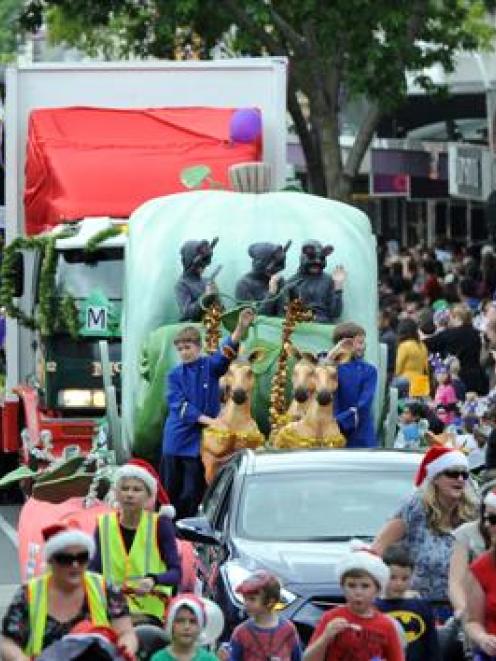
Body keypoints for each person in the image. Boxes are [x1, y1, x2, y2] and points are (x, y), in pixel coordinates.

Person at [161, 307, 255, 519]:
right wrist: (211, 421)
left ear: (198, 347)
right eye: (181, 349)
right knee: (171, 491)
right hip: (177, 439)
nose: (185, 352)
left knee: (192, 491)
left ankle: (191, 529)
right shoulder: (174, 375)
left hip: (199, 442)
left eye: (188, 347)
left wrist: (240, 327)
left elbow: (225, 353)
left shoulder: (210, 366)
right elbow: (178, 405)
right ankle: (170, 528)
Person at [1, 523, 137, 661]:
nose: (75, 565)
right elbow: (7, 642)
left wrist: (124, 650)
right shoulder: (29, 593)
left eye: (82, 557)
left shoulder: (104, 587)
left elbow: (126, 633)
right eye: (65, 559)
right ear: (50, 561)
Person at [372, 446, 476, 618]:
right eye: (452, 473)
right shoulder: (415, 508)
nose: (459, 479)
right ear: (435, 478)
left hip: (461, 611)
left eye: (464, 475)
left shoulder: (473, 514)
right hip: (415, 610)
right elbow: (378, 549)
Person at [89, 459, 181, 625]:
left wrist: (153, 580)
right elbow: (93, 571)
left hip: (149, 613)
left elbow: (175, 573)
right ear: (116, 494)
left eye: (137, 489)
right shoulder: (103, 524)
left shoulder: (161, 525)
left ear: (148, 496)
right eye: (124, 489)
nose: (129, 494)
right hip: (111, 611)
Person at [303, 541, 404, 661]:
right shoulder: (331, 618)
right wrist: (326, 637)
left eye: (365, 586)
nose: (358, 592)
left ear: (377, 590)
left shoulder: (386, 625)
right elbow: (308, 659)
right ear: (342, 587)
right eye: (351, 585)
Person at [376, 545, 440, 661]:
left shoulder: (422, 607)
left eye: (405, 578)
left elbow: (432, 645)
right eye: (393, 578)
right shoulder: (373, 608)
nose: (399, 583)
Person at [229, 570, 302, 661]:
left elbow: (297, 657)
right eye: (245, 598)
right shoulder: (240, 633)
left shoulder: (288, 630)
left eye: (252, 599)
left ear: (270, 602)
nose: (246, 603)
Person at [329, 322, 378, 447]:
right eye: (359, 343)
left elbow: (364, 403)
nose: (363, 346)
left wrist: (339, 420)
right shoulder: (329, 367)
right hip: (331, 432)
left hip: (360, 433)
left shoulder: (369, 370)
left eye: (363, 342)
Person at [424, 303, 488, 394]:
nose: (449, 321)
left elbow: (428, 344)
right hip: (478, 377)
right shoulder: (477, 333)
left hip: (458, 379)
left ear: (457, 317)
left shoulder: (450, 334)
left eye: (450, 317)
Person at [465, 488, 496, 658]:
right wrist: (483, 638)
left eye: (493, 519)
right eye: (486, 519)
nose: (486, 525)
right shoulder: (480, 567)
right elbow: (473, 622)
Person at [286, 240, 346, 323]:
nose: (317, 262)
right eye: (312, 258)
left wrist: (338, 286)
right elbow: (284, 312)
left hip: (322, 326)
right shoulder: (292, 282)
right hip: (300, 326)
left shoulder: (328, 281)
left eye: (320, 259)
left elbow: (335, 313)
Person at [150, 594, 219, 661]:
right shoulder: (158, 658)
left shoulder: (209, 659)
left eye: (192, 621)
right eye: (180, 621)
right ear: (171, 625)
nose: (186, 627)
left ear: (200, 627)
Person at [235, 242, 289, 316]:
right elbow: (252, 320)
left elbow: (283, 314)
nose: (274, 273)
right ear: (260, 263)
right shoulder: (244, 284)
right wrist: (271, 293)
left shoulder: (279, 281)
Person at [175, 239, 219, 322]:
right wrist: (206, 298)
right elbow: (187, 312)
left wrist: (215, 298)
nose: (204, 266)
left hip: (213, 327)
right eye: (200, 264)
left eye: (205, 262)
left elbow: (220, 310)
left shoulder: (207, 281)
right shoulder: (182, 285)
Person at [392, 318, 429, 399]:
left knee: (390, 389)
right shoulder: (422, 345)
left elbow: (399, 367)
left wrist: (395, 376)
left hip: (406, 380)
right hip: (421, 380)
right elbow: (426, 367)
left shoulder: (404, 345)